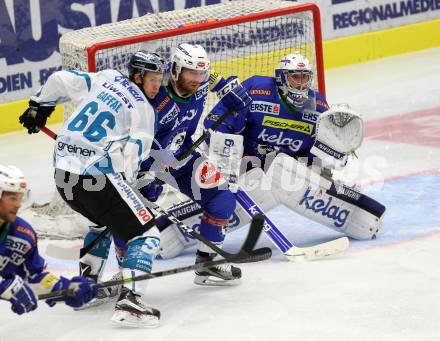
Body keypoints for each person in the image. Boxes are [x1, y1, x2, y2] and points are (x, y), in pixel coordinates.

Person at [155, 52, 386, 259]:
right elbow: (216, 125)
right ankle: (172, 228)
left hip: (281, 168)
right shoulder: (257, 89)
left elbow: (321, 155)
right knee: (230, 192)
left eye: (305, 77)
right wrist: (227, 163)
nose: (301, 83)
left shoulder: (317, 107)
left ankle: (356, 216)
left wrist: (334, 156)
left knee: (282, 170)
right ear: (282, 78)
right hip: (242, 163)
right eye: (296, 77)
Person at [18, 56, 162, 327]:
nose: (157, 86)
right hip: (96, 177)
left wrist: (40, 105)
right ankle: (130, 301)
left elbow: (59, 80)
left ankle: (87, 287)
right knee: (146, 232)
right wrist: (130, 182)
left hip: (62, 174)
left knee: (101, 224)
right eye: (153, 80)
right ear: (138, 76)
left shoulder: (106, 78)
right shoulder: (143, 108)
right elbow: (134, 153)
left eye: (159, 81)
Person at [0, 164, 98, 315]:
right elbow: (8, 286)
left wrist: (65, 289)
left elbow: (33, 276)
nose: (18, 205)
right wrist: (5, 287)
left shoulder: (22, 236)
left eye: (20, 198)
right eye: (13, 198)